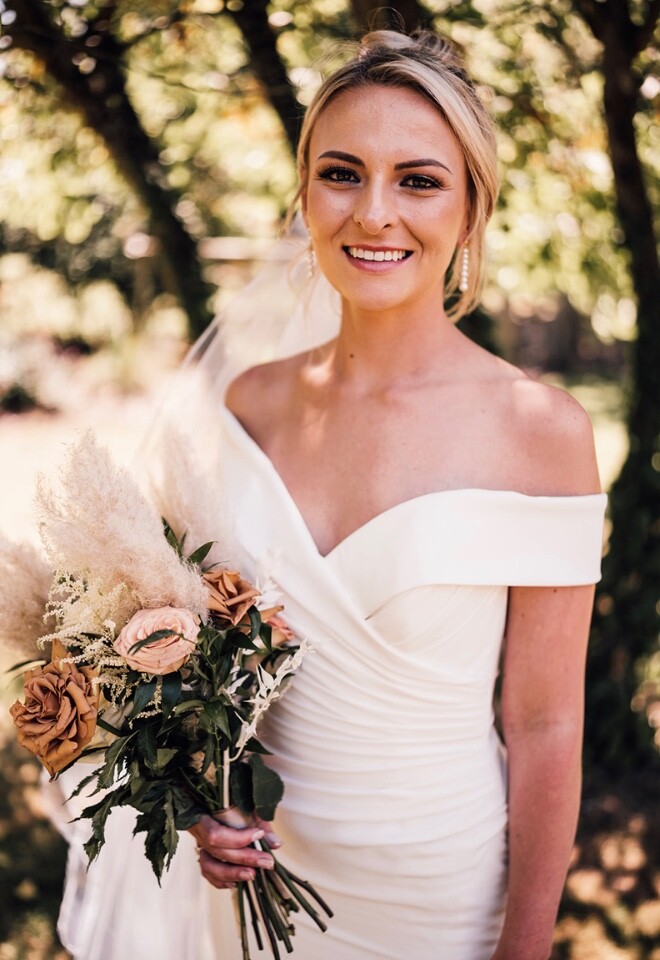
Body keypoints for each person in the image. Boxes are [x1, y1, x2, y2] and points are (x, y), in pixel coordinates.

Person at [48, 28, 606, 960]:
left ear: (470, 210)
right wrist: (198, 811)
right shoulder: (247, 404)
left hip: (440, 899)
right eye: (342, 173)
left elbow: (546, 725)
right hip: (258, 896)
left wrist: (526, 950)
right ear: (305, 194)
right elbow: (189, 656)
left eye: (419, 181)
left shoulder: (540, 433)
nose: (374, 213)